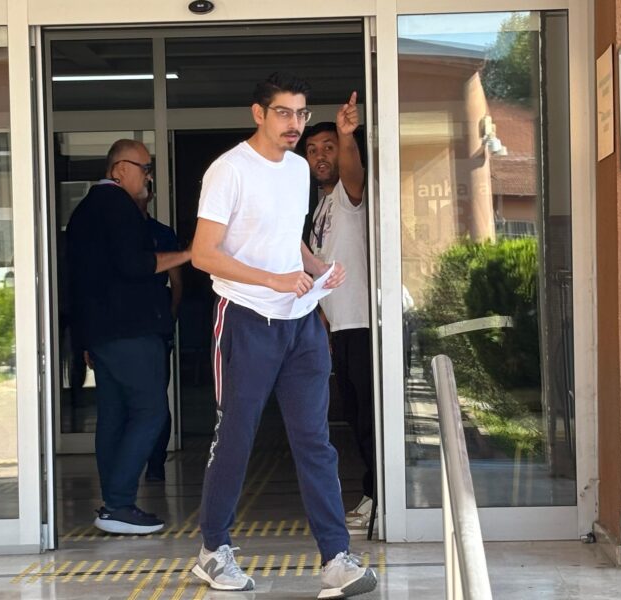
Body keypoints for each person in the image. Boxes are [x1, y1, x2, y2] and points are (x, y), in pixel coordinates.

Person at [190, 72, 378, 599]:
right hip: (246, 317)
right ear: (259, 113)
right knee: (237, 435)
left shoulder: (297, 169)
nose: (295, 124)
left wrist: (318, 268)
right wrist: (270, 280)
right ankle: (213, 550)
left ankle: (336, 557)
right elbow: (204, 253)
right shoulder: (228, 170)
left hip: (301, 322)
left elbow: (286, 236)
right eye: (284, 113)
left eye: (300, 113)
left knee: (315, 439)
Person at [66, 139, 191, 535]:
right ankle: (118, 503)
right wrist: (189, 254)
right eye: (145, 168)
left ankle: (113, 503)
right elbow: (135, 264)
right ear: (120, 169)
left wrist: (85, 338)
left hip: (103, 333)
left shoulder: (86, 210)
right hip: (130, 330)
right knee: (151, 411)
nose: (148, 177)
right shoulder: (116, 205)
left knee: (114, 416)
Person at [302, 94, 376, 531]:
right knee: (354, 418)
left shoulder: (350, 197)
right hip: (340, 328)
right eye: (313, 150)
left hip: (364, 324)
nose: (320, 156)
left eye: (328, 148)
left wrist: (347, 137)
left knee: (369, 418)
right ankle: (374, 494)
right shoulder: (319, 206)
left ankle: (380, 497)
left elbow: (354, 174)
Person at [141, 185, 183, 483]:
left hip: (156, 323)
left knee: (157, 394)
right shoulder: (117, 229)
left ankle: (156, 462)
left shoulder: (162, 233)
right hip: (123, 325)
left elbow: (177, 282)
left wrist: (170, 317)